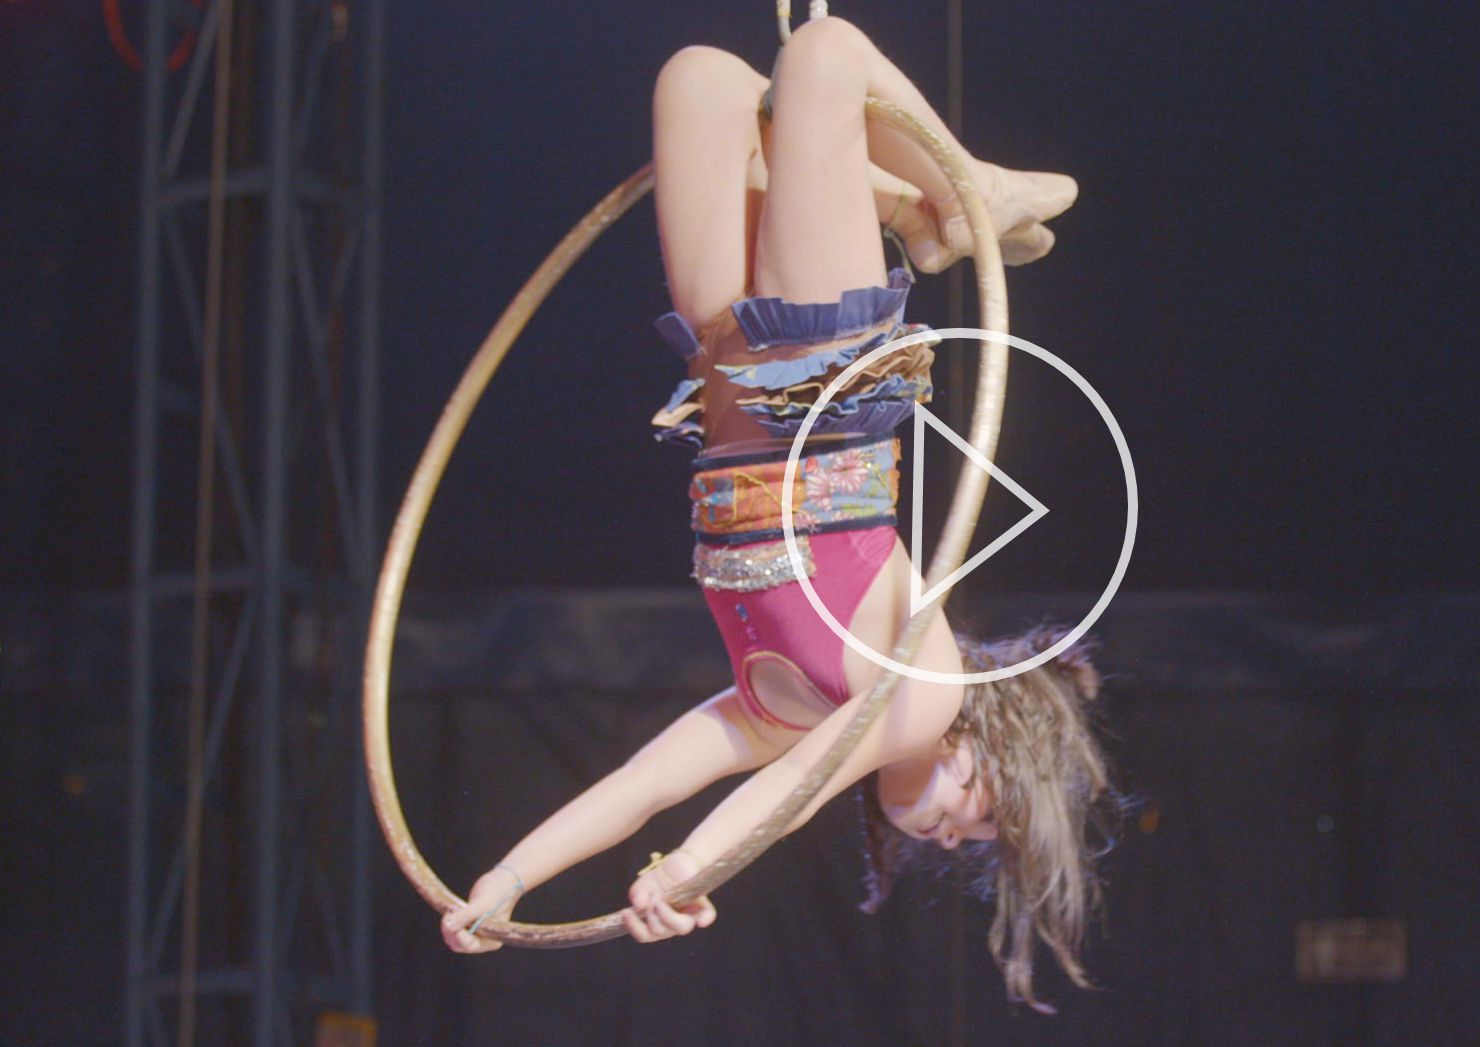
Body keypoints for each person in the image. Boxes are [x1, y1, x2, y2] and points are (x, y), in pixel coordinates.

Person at [440, 17, 1121, 1011]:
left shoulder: (768, 716)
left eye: (957, 842)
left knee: (701, 79)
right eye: (978, 813)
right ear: (989, 744)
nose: (949, 837)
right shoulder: (921, 690)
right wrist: (691, 869)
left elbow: (643, 784)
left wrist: (504, 883)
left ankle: (909, 204)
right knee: (822, 57)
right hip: (822, 382)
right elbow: (791, 797)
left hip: (727, 380)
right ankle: (970, 189)